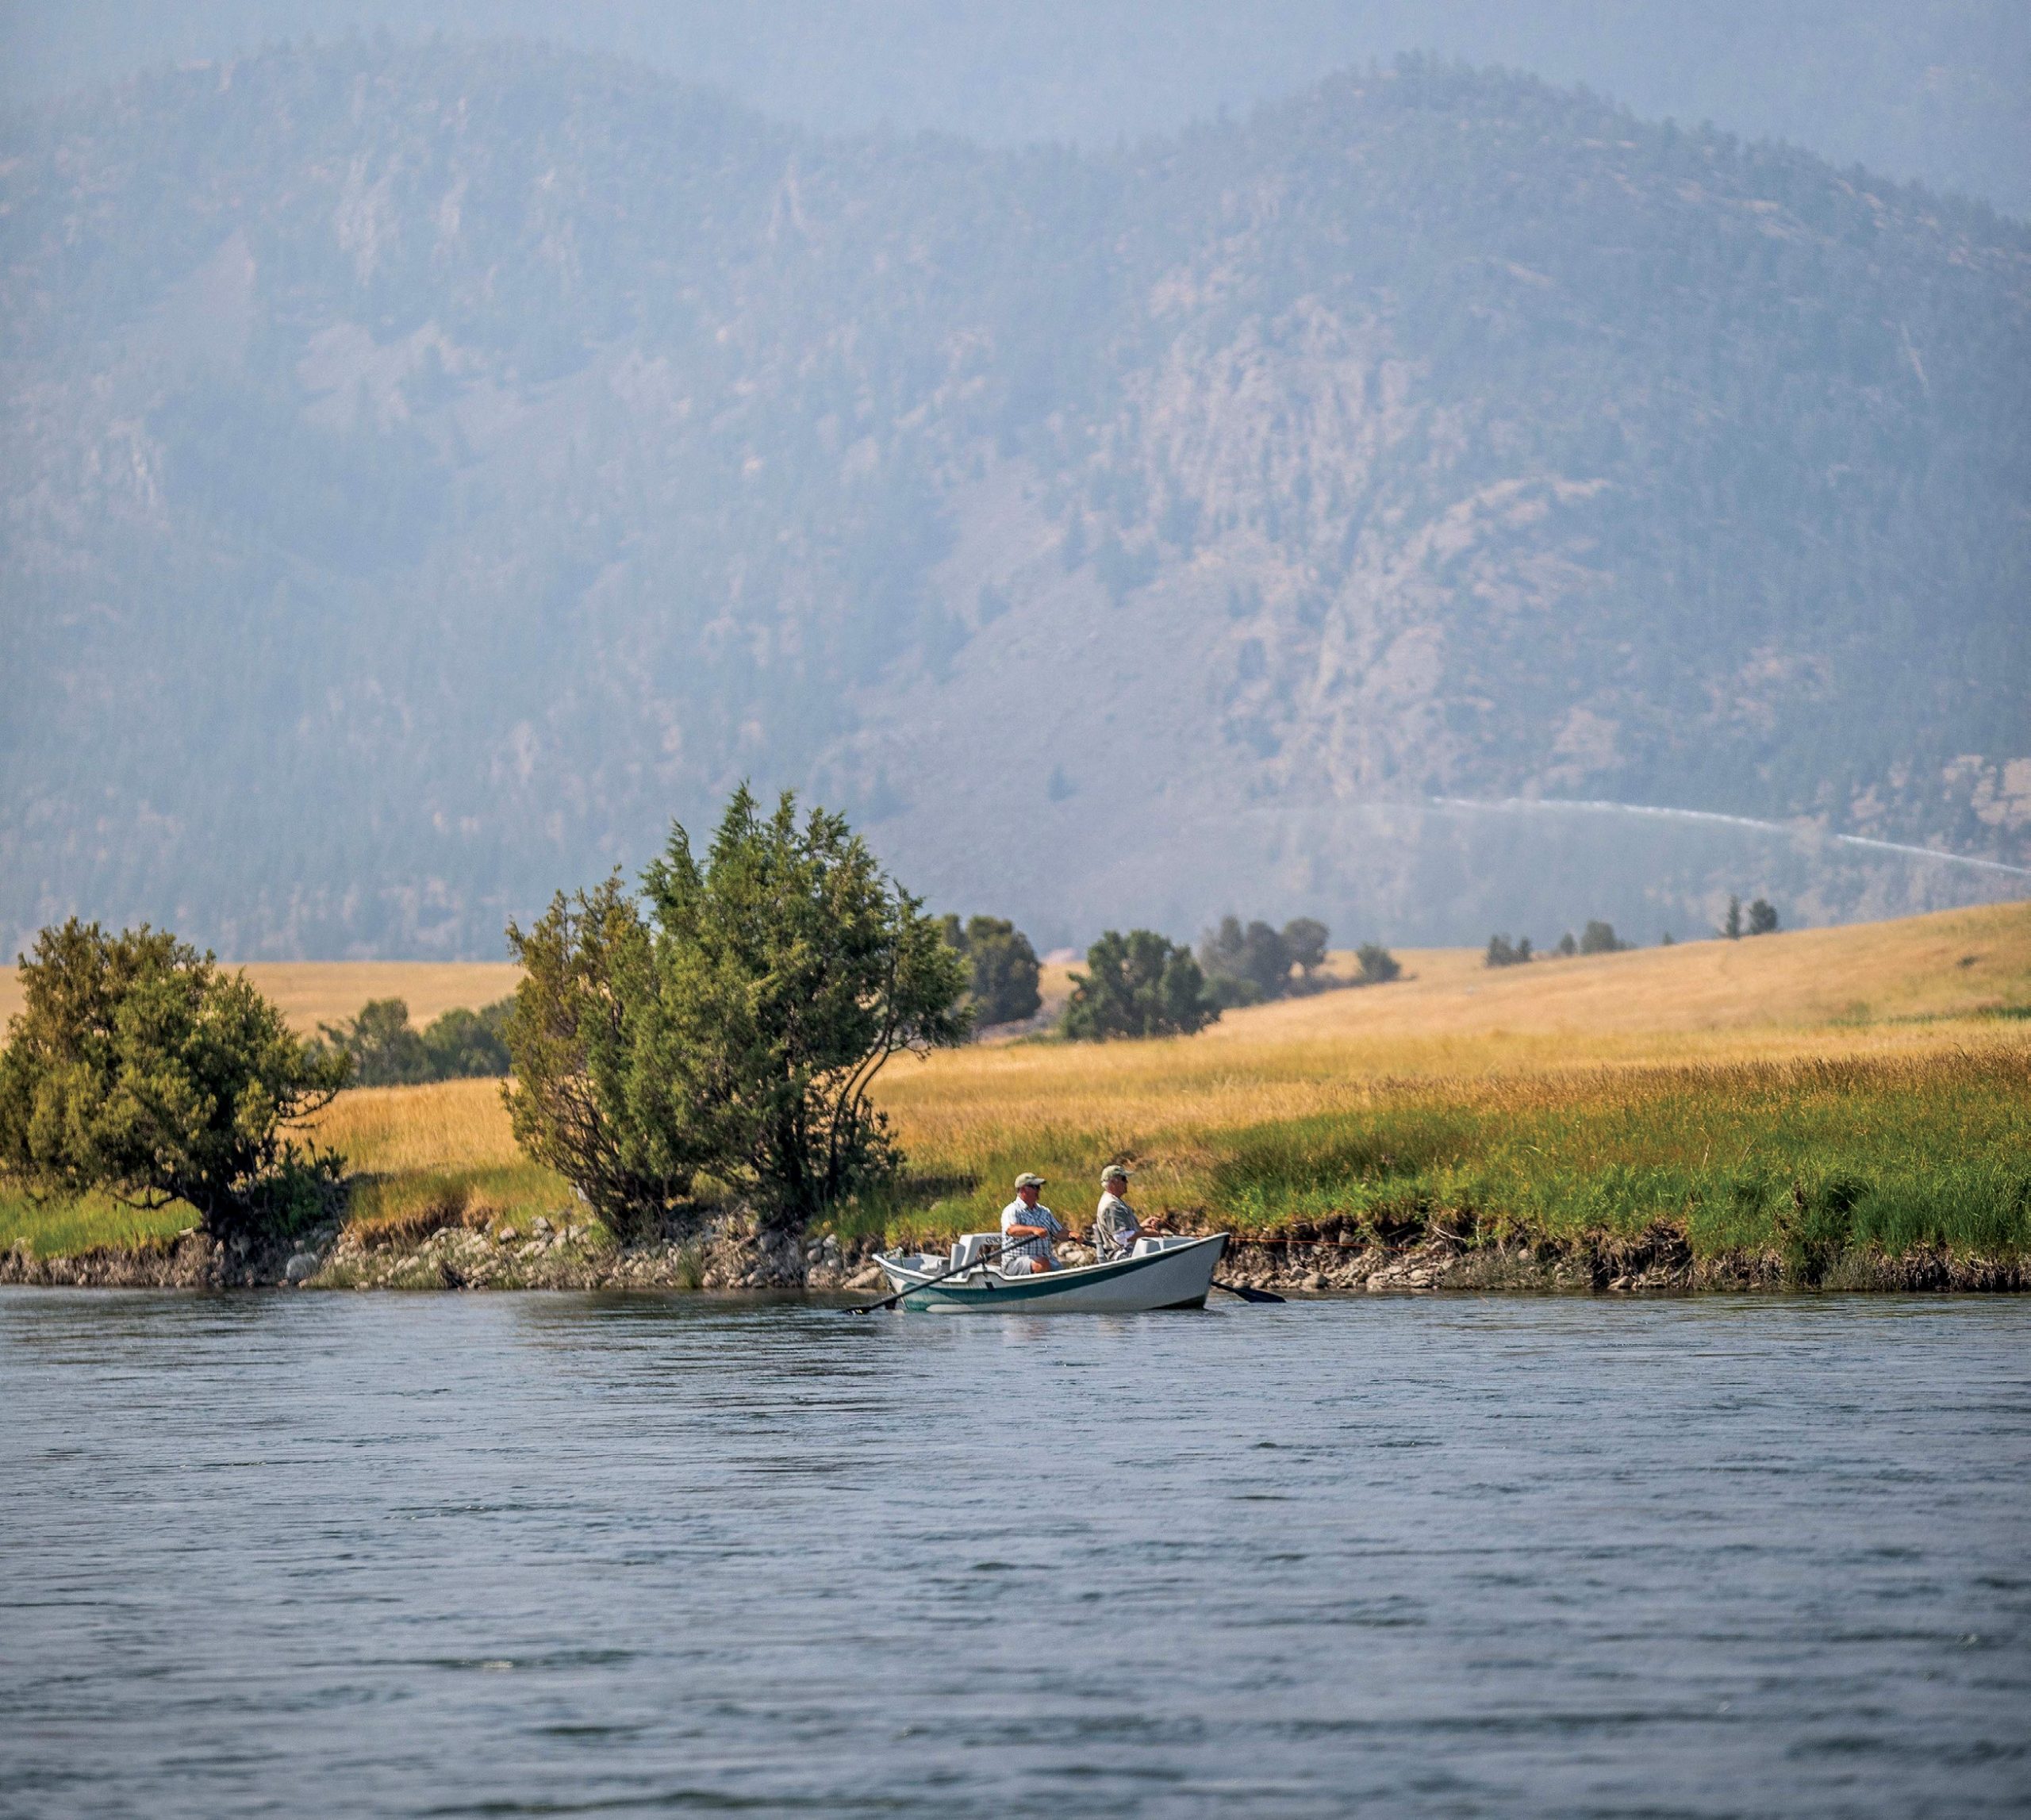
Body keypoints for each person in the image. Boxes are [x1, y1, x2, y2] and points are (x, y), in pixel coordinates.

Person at [1000, 1173, 1068, 1273]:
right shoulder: (1012, 1210)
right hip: (1014, 1263)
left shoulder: (1044, 1211)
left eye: (1039, 1187)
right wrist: (1034, 1230)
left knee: (1061, 1271)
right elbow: (1011, 1230)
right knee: (1041, 1264)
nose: (1039, 1190)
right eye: (1035, 1187)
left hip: (1046, 1262)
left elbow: (1059, 1232)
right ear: (1023, 1189)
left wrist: (1072, 1235)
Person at [1092, 1164, 1161, 1260]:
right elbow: (1121, 1238)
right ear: (1113, 1183)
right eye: (1124, 1179)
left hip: (1129, 1251)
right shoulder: (1111, 1206)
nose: (1127, 1182)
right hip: (1121, 1255)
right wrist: (1147, 1233)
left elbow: (1125, 1232)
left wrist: (1142, 1226)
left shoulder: (1115, 1201)